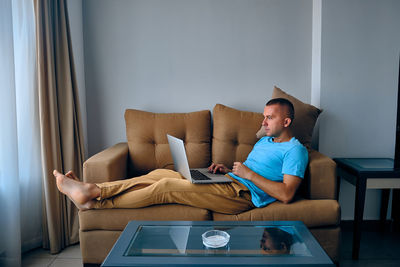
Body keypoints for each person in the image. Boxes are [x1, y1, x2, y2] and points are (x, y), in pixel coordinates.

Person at [53, 98, 308, 214]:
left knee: (165, 186)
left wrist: (247, 174)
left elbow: (286, 194)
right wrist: (225, 170)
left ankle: (94, 199)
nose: (263, 121)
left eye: (269, 117)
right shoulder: (265, 139)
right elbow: (257, 155)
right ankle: (91, 191)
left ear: (287, 121)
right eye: (263, 116)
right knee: (159, 173)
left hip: (242, 196)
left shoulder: (295, 150)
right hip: (231, 181)